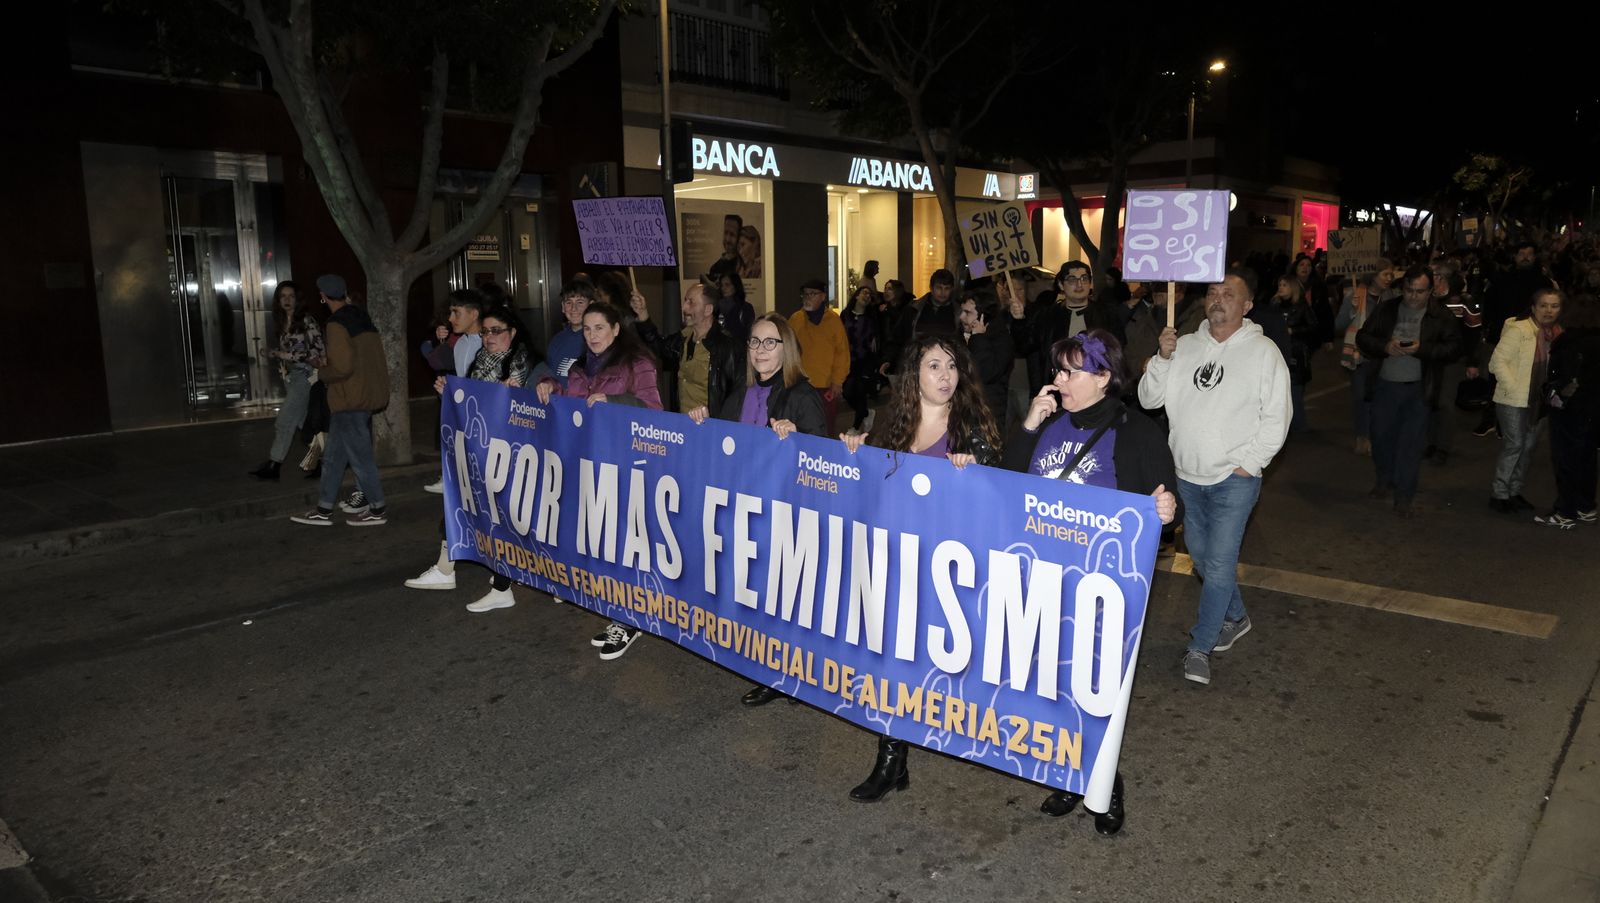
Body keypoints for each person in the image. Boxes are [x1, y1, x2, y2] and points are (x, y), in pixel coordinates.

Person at [1002, 329, 1179, 836]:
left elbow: (1167, 505)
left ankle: (1105, 783)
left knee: (1094, 695)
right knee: (1052, 688)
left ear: (1103, 377)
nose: (1057, 380)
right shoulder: (1048, 423)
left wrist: (1167, 510)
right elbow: (1006, 486)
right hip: (1041, 579)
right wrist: (1028, 427)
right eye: (1057, 370)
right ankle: (1068, 774)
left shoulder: (1137, 432)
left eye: (1069, 372)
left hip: (1100, 591)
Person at [838, 333, 1000, 804]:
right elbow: (869, 485)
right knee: (893, 663)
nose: (946, 376)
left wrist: (976, 471)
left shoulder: (971, 428)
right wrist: (854, 448)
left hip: (944, 572)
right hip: (895, 564)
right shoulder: (892, 423)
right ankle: (892, 760)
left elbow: (996, 500)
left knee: (937, 668)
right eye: (934, 366)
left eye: (951, 366)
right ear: (915, 374)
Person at [1137, 268, 1290, 686]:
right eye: (1212, 292)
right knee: (1204, 560)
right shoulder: (1184, 345)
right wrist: (1162, 359)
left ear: (1247, 305)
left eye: (1229, 293)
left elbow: (1277, 417)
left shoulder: (1264, 353)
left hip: (1233, 480)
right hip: (1186, 476)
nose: (1218, 299)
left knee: (1219, 565)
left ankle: (1200, 646)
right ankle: (1236, 616)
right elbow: (1148, 399)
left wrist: (1248, 464)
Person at [694, 313, 828, 706]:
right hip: (746, 510)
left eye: (770, 342)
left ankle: (789, 675)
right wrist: (704, 423)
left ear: (788, 349)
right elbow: (721, 450)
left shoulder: (801, 395)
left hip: (785, 515)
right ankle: (773, 667)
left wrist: (799, 440)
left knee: (784, 599)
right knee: (760, 595)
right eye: (754, 341)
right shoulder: (740, 393)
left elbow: (823, 464)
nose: (760, 350)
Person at [536, 301, 664, 659]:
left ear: (616, 329)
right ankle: (617, 613)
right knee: (605, 545)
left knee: (627, 545)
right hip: (590, 465)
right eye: (588, 329)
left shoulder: (637, 363)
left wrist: (615, 400)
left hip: (626, 465)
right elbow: (574, 403)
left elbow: (655, 411)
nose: (592, 336)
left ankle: (630, 620)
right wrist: (550, 386)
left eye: (600, 328)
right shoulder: (579, 368)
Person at [406, 303, 538, 609]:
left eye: (496, 331)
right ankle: (452, 570)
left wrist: (518, 393)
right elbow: (473, 406)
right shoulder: (480, 360)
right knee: (467, 508)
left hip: (510, 455)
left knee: (505, 519)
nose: (489, 337)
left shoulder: (524, 364)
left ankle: (505, 583)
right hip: (480, 450)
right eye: (486, 332)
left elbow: (531, 410)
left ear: (512, 333)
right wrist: (451, 393)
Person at [1355, 267, 1464, 518]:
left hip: (1419, 389)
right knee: (1381, 438)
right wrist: (1385, 346)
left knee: (1410, 444)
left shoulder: (1440, 315)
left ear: (1430, 291)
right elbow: (1363, 338)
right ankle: (1385, 478)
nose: (1413, 297)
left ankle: (1404, 495)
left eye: (1420, 292)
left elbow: (1454, 348)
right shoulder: (1387, 309)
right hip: (1385, 386)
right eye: (1409, 291)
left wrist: (1421, 349)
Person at [291, 275, 390, 527]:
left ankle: (378, 509)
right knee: (333, 458)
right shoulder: (361, 317)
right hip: (363, 395)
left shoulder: (336, 324)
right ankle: (324, 509)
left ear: (323, 296)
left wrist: (322, 373)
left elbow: (343, 367)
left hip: (349, 399)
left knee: (360, 459)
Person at [1487, 287, 1563, 513]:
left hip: (1539, 401)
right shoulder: (1519, 329)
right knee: (1515, 445)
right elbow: (1496, 362)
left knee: (1528, 447)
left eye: (1554, 306)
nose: (1548, 311)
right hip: (1513, 399)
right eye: (1543, 305)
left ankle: (1514, 491)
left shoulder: (1557, 333)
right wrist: (1513, 386)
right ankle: (1499, 493)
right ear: (1533, 307)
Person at [1535, 293, 1600, 528]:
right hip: (1593, 408)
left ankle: (1566, 511)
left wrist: (1553, 394)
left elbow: (1564, 376)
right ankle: (1586, 506)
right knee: (1587, 458)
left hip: (1570, 409)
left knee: (1566, 459)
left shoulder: (1568, 342)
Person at [249, 281, 324, 480]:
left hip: (305, 376)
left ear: (298, 299)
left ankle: (274, 465)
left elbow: (316, 353)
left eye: (291, 296)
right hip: (291, 377)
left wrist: (280, 354)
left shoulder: (307, 321)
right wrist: (276, 355)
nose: (287, 300)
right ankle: (325, 460)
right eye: (283, 296)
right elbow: (291, 351)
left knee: (284, 421)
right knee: (303, 423)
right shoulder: (284, 321)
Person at [1335, 261, 1396, 455]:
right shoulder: (1355, 296)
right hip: (1360, 355)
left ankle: (1377, 436)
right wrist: (1352, 310)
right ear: (1373, 275)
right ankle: (1363, 437)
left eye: (1391, 275)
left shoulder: (1390, 297)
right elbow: (1338, 326)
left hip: (1384, 355)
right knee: (1362, 398)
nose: (1389, 278)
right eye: (1385, 274)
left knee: (1381, 398)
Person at [660, 281, 740, 417]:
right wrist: (644, 317)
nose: (684, 307)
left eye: (691, 302)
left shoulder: (727, 346)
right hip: (680, 423)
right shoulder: (682, 338)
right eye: (685, 301)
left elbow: (736, 394)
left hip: (709, 425)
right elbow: (658, 347)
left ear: (708, 310)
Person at [788, 279, 850, 431]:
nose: (808, 297)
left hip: (825, 386)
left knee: (825, 426)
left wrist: (837, 382)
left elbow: (842, 353)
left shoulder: (833, 320)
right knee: (798, 425)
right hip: (799, 384)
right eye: (805, 294)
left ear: (823, 297)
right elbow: (787, 350)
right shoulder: (796, 319)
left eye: (812, 294)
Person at [960, 292, 1013, 427]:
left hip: (989, 411)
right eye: (962, 311)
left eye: (968, 313)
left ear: (982, 315)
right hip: (967, 408)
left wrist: (978, 338)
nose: (962, 317)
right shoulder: (963, 334)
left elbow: (987, 373)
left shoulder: (1000, 338)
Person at [840, 283, 883, 431]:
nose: (867, 296)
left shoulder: (872, 318)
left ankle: (855, 427)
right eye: (864, 293)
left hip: (865, 361)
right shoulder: (845, 315)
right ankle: (865, 413)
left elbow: (878, 337)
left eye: (869, 295)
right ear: (857, 295)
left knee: (859, 390)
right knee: (847, 391)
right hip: (848, 360)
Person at [546, 279, 593, 385]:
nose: (574, 308)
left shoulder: (598, 340)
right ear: (563, 307)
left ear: (591, 305)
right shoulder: (556, 341)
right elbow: (549, 377)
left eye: (580, 302)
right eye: (568, 302)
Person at [715, 271, 756, 347]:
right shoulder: (716, 307)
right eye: (721, 285)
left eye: (727, 285)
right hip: (718, 349)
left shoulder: (745, 308)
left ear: (736, 286)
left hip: (738, 350)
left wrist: (729, 334)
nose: (723, 288)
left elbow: (749, 333)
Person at [707, 213, 742, 283]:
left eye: (732, 234)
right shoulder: (715, 268)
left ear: (739, 237)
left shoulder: (743, 266)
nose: (727, 239)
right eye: (726, 233)